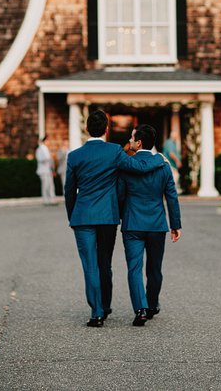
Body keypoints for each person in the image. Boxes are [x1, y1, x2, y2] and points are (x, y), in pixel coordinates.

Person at [64, 110, 166, 327]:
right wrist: (159, 159)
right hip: (108, 216)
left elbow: (69, 191)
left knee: (90, 265)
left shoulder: (74, 156)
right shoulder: (113, 152)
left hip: (82, 217)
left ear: (86, 129)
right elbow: (139, 167)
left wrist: (72, 217)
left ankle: (97, 312)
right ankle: (106, 304)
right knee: (104, 263)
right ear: (107, 129)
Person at [118, 125, 182, 326]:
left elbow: (120, 196)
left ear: (139, 143)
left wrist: (122, 216)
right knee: (155, 268)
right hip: (156, 224)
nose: (129, 139)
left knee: (134, 268)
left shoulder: (127, 165)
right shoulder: (163, 165)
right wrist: (175, 224)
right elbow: (171, 196)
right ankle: (152, 304)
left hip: (133, 224)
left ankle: (140, 309)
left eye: (132, 137)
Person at [35, 136, 55, 205]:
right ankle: (45, 200)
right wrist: (48, 158)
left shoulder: (46, 149)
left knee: (50, 185)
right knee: (45, 185)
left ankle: (52, 200)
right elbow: (40, 159)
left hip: (48, 170)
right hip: (43, 170)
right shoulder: (40, 149)